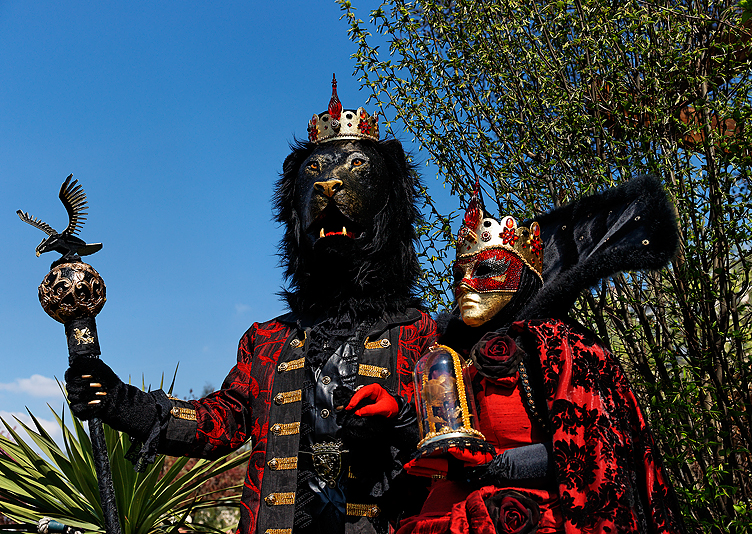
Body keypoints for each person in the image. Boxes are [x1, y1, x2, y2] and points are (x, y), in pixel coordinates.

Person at [65, 78, 437, 534]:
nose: (328, 181)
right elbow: (221, 421)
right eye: (313, 171)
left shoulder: (420, 332)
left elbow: (454, 439)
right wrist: (124, 402)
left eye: (357, 166)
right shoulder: (266, 341)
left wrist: (399, 418)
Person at [401, 177, 687, 533]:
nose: (466, 284)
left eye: (487, 270)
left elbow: (594, 452)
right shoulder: (449, 353)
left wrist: (505, 466)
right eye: (459, 273)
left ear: (522, 278)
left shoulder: (563, 347)